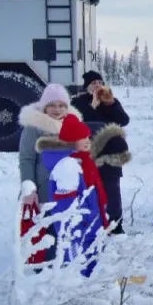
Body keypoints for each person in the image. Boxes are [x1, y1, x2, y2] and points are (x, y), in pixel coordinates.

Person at [18, 84, 84, 263]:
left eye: (61, 105)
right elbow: (26, 160)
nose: (57, 109)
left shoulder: (73, 126)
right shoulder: (34, 128)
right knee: (44, 233)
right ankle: (42, 268)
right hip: (43, 192)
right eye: (52, 105)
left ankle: (63, 266)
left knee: (64, 231)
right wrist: (29, 189)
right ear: (44, 106)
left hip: (67, 191)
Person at [39, 114, 110, 275]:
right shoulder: (67, 166)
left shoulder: (80, 160)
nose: (87, 141)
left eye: (87, 137)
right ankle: (77, 298)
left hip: (89, 226)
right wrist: (76, 230)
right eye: (81, 137)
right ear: (70, 141)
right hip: (79, 231)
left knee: (91, 267)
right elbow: (66, 207)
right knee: (78, 269)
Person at [70, 71, 130, 232]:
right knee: (90, 187)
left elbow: (124, 120)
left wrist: (111, 103)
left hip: (111, 152)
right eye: (93, 83)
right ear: (87, 86)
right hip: (88, 152)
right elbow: (79, 121)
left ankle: (116, 225)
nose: (97, 85)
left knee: (112, 188)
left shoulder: (111, 102)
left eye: (99, 82)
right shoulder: (78, 102)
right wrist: (94, 105)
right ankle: (93, 222)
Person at [89, 122, 131, 233]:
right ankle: (112, 225)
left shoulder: (114, 144)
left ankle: (113, 225)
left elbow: (123, 119)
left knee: (111, 193)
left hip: (107, 159)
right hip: (97, 151)